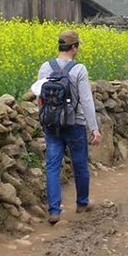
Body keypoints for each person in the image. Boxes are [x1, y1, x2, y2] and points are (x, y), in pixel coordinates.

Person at [33, 29, 102, 224]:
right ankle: (82, 202)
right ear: (74, 47)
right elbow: (87, 100)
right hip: (75, 123)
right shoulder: (79, 69)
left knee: (52, 166)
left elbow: (39, 98)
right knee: (80, 163)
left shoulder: (45, 67)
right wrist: (94, 128)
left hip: (51, 124)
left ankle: (54, 211)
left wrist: (46, 118)